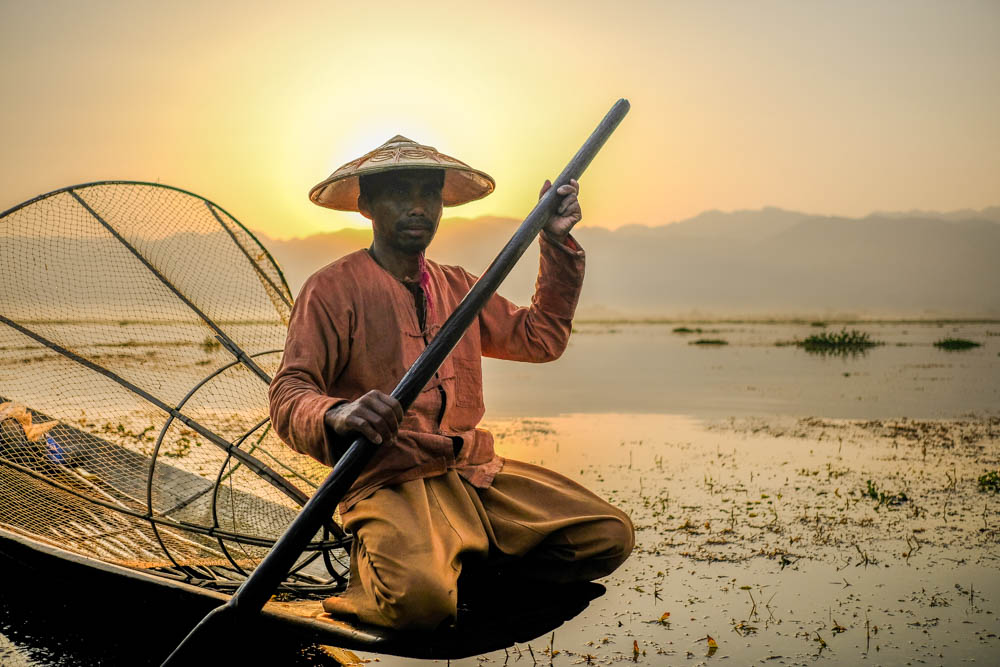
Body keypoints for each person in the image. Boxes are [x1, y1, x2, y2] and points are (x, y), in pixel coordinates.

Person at [268, 135, 634, 631]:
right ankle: (376, 578)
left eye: (429, 193)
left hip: (469, 471)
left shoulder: (460, 286)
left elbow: (540, 338)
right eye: (400, 192)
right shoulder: (331, 289)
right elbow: (290, 393)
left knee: (608, 535)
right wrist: (338, 412)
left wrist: (555, 241)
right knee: (418, 606)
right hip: (389, 479)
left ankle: (465, 570)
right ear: (367, 205)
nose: (418, 206)